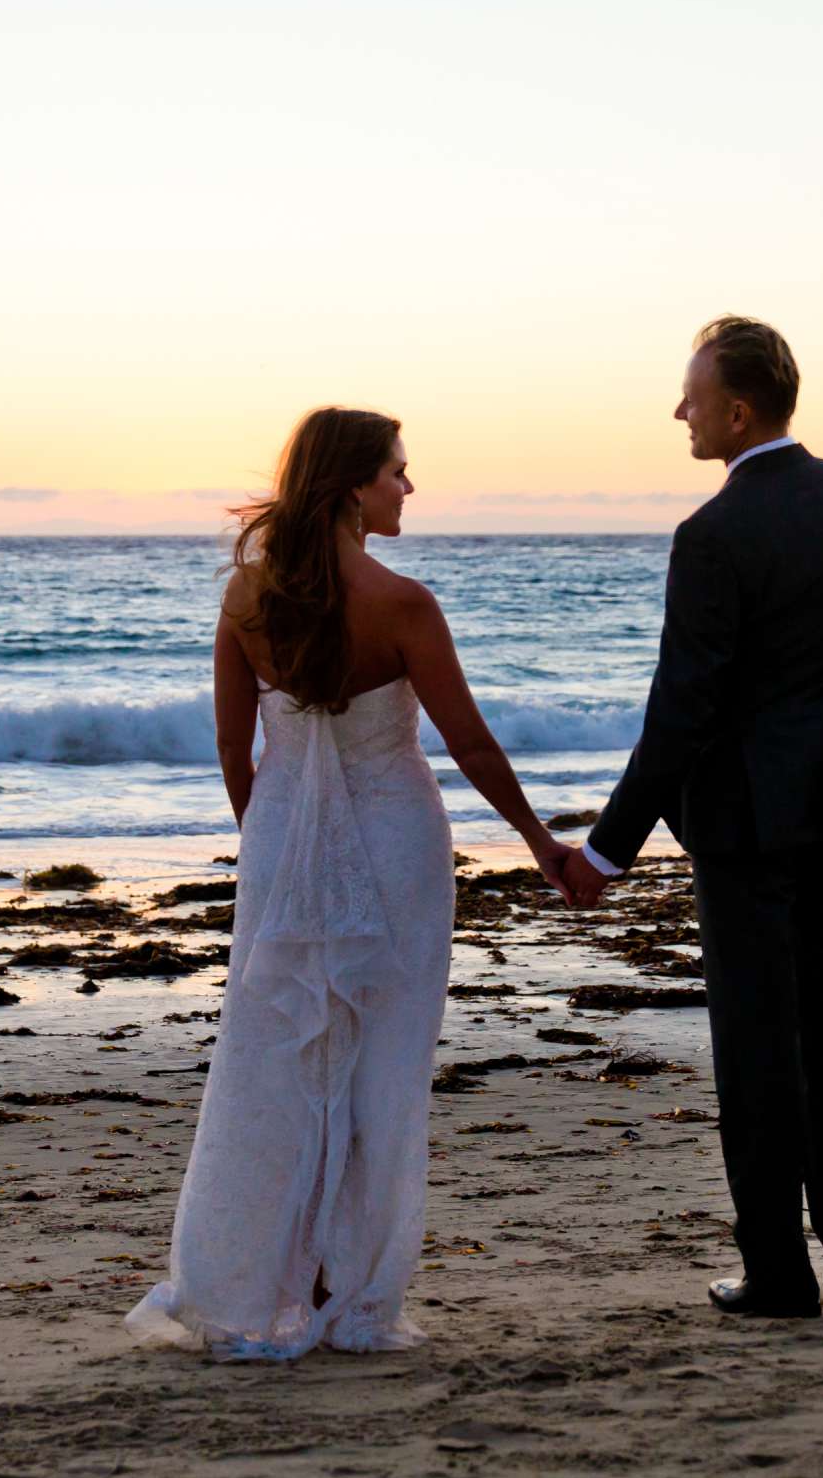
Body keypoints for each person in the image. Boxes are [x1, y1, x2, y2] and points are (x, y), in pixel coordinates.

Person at [125, 406, 577, 1359]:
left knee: (279, 1054)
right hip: (395, 837)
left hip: (282, 838)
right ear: (351, 487)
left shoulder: (246, 597)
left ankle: (264, 1279)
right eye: (398, 473)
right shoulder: (405, 603)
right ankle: (350, 1289)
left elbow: (231, 745)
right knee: (383, 1065)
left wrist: (275, 844)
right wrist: (539, 841)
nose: (409, 488)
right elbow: (472, 743)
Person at [563, 316, 823, 1318]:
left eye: (693, 394)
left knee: (758, 1051)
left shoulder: (712, 536)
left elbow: (685, 705)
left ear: (738, 409)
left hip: (745, 828)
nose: (681, 409)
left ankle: (778, 1273)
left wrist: (604, 848)